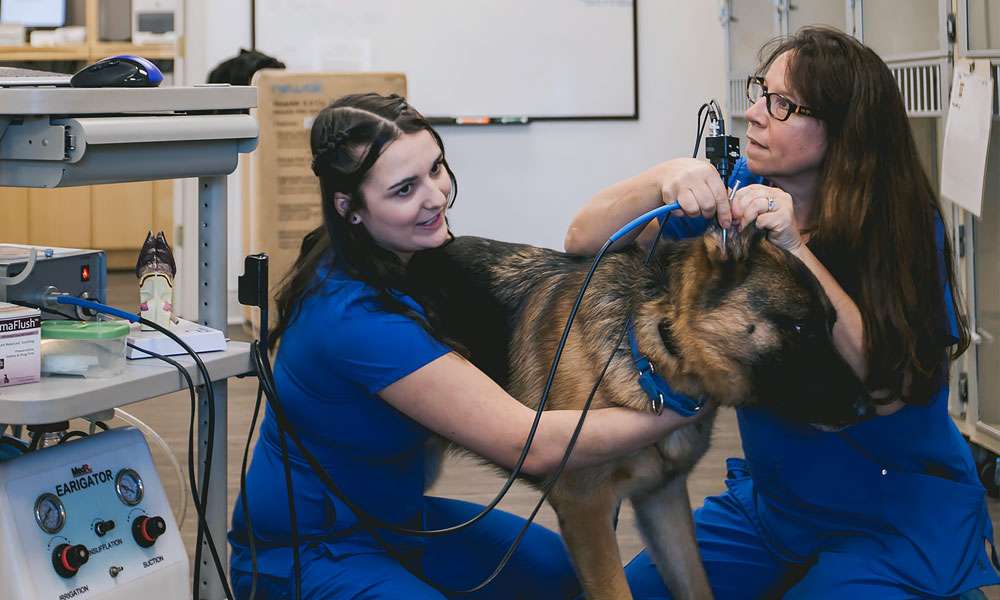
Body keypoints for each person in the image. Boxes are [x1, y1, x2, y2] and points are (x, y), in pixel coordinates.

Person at [565, 26, 1000, 599]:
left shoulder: (902, 227)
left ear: (842, 131)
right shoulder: (741, 189)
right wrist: (659, 179)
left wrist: (796, 248)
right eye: (759, 92)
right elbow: (581, 239)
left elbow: (889, 385)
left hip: (893, 515)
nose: (753, 114)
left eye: (782, 104)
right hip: (776, 510)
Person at [228, 93, 706, 599]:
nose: (435, 195)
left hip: (397, 522)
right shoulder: (355, 319)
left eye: (436, 168)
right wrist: (680, 407)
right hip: (308, 550)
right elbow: (534, 445)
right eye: (404, 189)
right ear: (349, 208)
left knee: (563, 580)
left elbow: (591, 241)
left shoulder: (399, 262)